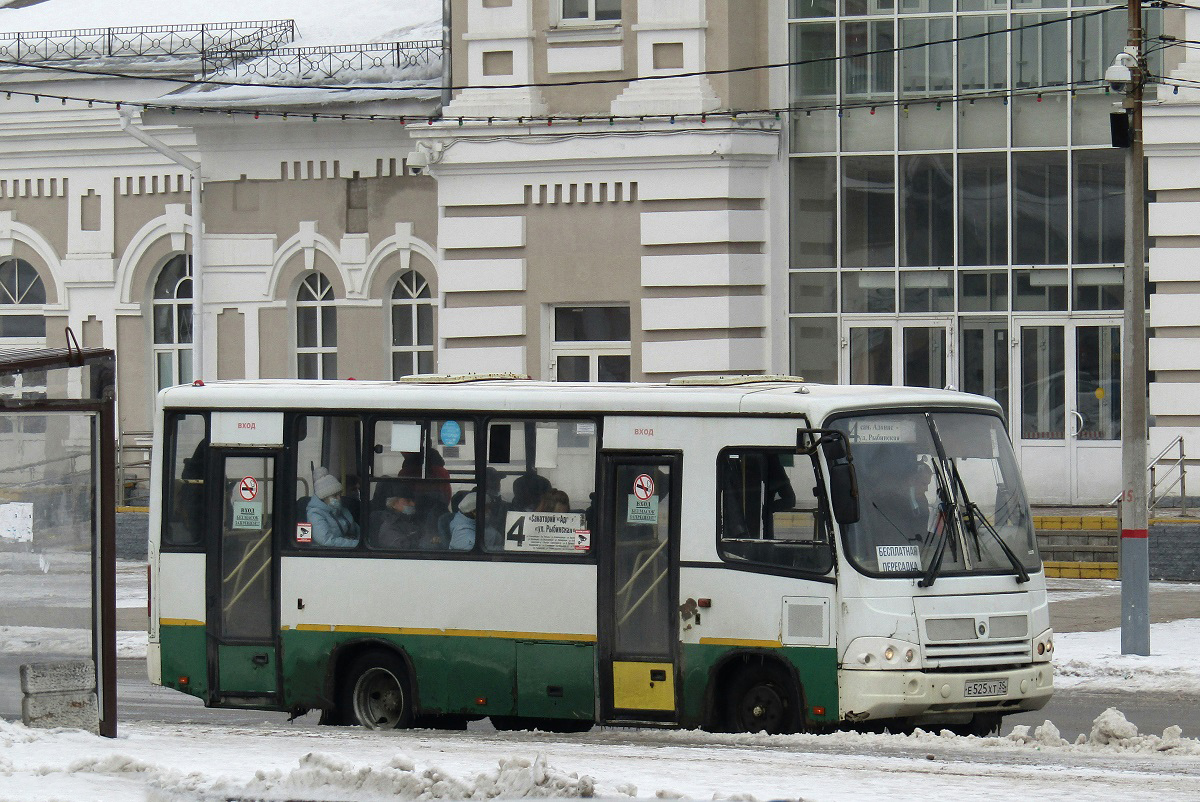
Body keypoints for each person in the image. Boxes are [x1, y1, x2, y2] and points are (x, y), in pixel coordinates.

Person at [306, 467, 360, 548]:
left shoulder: (342, 510)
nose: (339, 498)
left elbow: (355, 529)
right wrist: (357, 544)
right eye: (335, 495)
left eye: (339, 494)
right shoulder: (315, 514)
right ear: (324, 497)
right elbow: (326, 540)